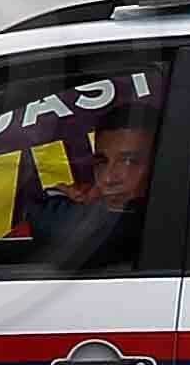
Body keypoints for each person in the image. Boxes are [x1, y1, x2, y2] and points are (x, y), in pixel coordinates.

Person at [21, 111, 160, 271]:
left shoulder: (159, 222)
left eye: (129, 162)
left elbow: (54, 225)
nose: (109, 178)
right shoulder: (101, 211)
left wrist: (58, 198)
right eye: (101, 163)